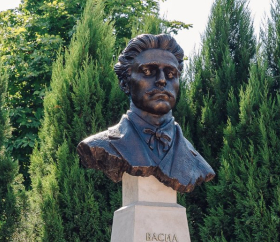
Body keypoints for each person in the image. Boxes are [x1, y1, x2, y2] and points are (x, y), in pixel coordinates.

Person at [76, 33, 215, 193]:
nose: (162, 80)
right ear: (124, 83)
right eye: (148, 71)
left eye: (171, 74)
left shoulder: (197, 161)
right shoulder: (100, 145)